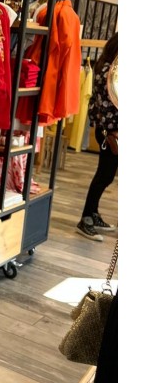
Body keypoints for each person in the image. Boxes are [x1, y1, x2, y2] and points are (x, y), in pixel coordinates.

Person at [76, 32, 118, 241]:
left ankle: (92, 213)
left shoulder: (107, 67)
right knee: (104, 175)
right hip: (110, 130)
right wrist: (111, 130)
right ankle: (85, 219)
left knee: (106, 174)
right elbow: (110, 103)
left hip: (109, 128)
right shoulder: (109, 71)